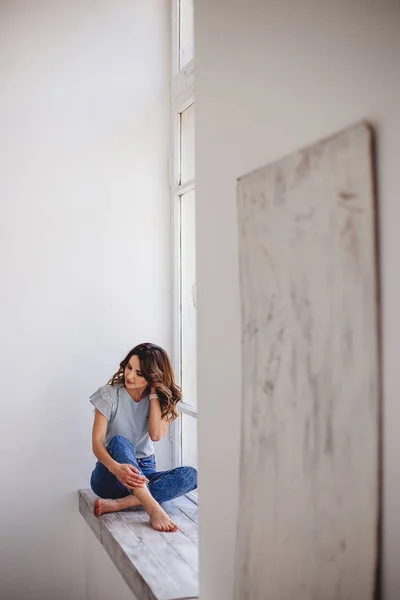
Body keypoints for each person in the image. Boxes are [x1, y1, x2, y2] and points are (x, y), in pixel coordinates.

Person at [90, 342, 197, 532]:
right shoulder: (109, 395)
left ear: (153, 377)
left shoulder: (158, 399)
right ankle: (153, 508)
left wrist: (155, 394)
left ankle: (120, 504)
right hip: (111, 474)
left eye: (140, 374)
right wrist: (116, 468)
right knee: (119, 442)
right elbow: (97, 443)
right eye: (129, 368)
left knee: (191, 475)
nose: (129, 376)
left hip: (144, 472)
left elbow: (156, 435)